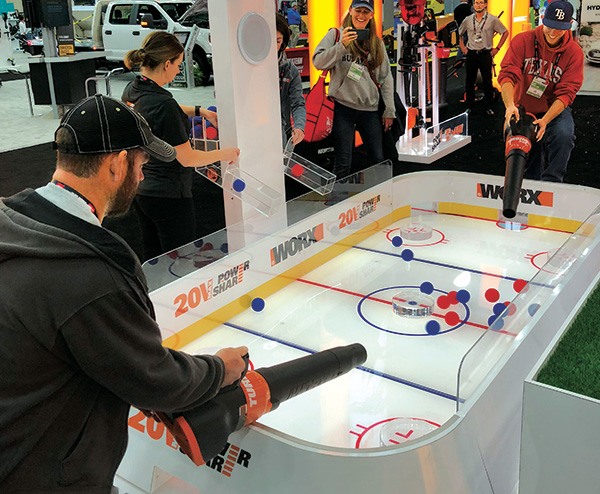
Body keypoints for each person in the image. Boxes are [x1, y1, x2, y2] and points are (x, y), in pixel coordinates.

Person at [0, 94, 248, 493]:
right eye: (141, 163)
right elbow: (156, 379)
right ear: (116, 163)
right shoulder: (89, 273)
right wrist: (221, 368)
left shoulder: (18, 222)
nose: (143, 176)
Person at [122, 31, 240, 262]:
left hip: (142, 190)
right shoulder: (163, 104)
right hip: (169, 194)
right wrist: (226, 153)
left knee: (153, 257)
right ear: (166, 64)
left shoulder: (134, 89)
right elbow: (188, 158)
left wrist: (199, 111)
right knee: (180, 259)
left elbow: (161, 108)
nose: (179, 70)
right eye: (177, 64)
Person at [498, 0, 583, 182]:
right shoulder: (522, 40)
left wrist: (546, 120)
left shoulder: (574, 52)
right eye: (550, 26)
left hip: (552, 107)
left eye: (559, 28)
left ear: (569, 25)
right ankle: (530, 182)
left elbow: (567, 92)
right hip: (523, 106)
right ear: (542, 19)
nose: (553, 33)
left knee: (564, 136)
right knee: (524, 147)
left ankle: (552, 181)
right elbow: (507, 74)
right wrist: (509, 106)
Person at [313, 0, 395, 179]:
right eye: (358, 10)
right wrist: (341, 46)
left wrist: (389, 109)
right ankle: (338, 201)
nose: (361, 15)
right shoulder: (336, 35)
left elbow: (386, 77)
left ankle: (382, 198)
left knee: (378, 159)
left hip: (370, 109)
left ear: (372, 15)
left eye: (366, 12)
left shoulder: (376, 43)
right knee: (343, 161)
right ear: (350, 11)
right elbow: (318, 62)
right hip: (343, 107)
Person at [459, 0, 508, 115]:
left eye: (481, 3)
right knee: (469, 81)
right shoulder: (468, 20)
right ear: (473, 5)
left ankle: (488, 106)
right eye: (476, 3)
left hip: (485, 54)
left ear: (485, 4)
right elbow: (460, 33)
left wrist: (498, 48)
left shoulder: (492, 19)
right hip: (471, 53)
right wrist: (462, 47)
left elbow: (505, 33)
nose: (478, 5)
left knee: (487, 81)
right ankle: (469, 106)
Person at [276, 13, 306, 149]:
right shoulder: (245, 68)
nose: (272, 45)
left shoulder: (289, 70)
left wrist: (299, 127)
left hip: (278, 133)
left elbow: (298, 103)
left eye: (277, 41)